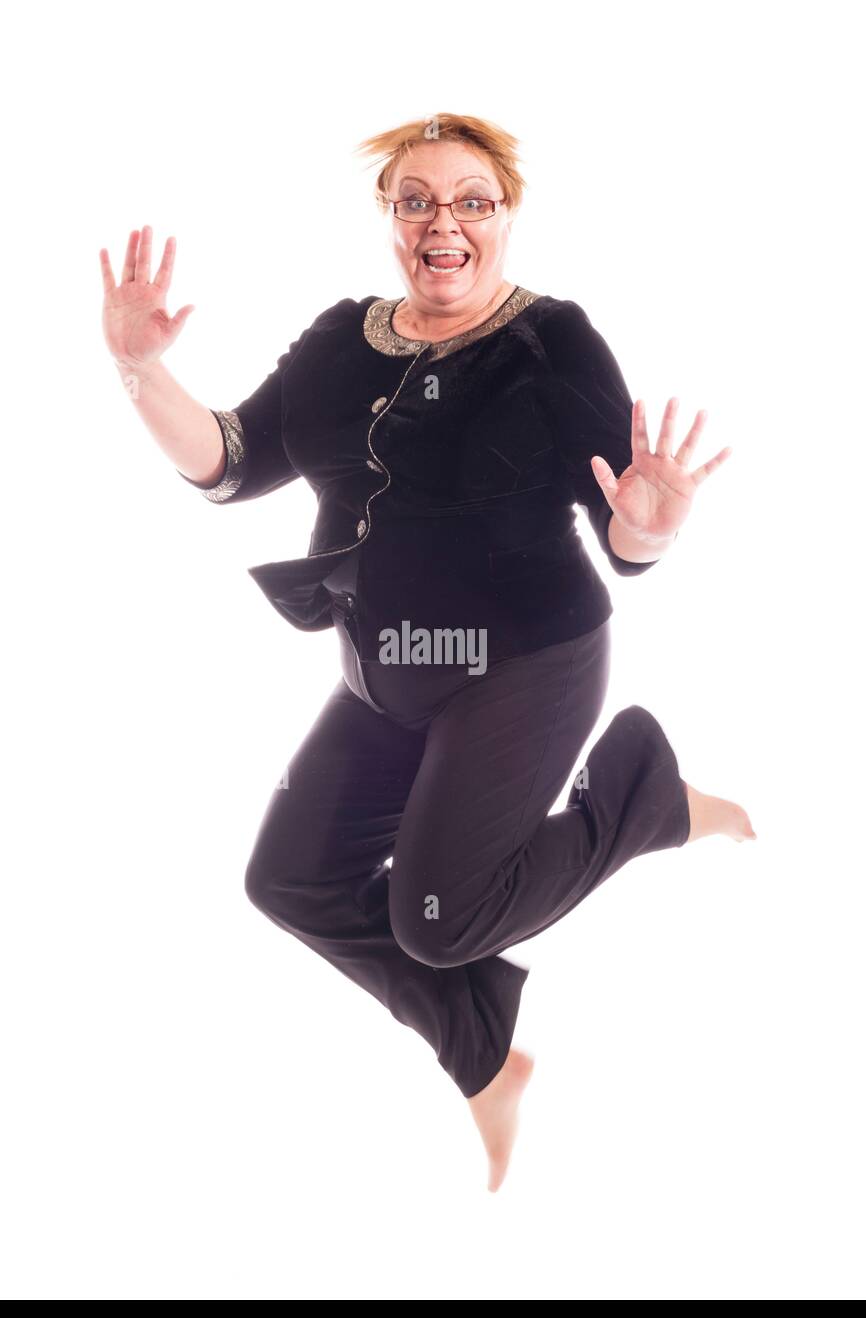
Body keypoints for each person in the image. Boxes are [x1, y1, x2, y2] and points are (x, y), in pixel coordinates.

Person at [100, 112, 756, 1193]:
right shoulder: (337, 340)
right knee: (291, 879)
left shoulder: (554, 345)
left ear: (504, 217)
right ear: (389, 220)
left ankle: (643, 796)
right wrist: (138, 370)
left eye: (469, 201)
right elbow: (230, 460)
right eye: (415, 200)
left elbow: (624, 538)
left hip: (527, 664)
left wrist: (654, 517)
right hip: (386, 664)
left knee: (440, 919)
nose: (441, 222)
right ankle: (486, 1056)